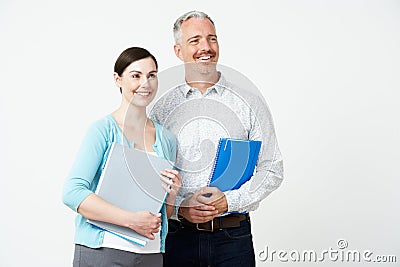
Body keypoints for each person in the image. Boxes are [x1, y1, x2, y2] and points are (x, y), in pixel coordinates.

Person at [149, 11, 284, 266]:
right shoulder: (162, 109)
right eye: (195, 40)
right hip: (177, 239)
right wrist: (180, 207)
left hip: (233, 239)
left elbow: (272, 168)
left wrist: (228, 201)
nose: (206, 47)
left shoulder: (249, 103)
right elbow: (152, 174)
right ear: (178, 51)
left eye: (212, 39)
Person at [62, 47, 182, 267]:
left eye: (152, 75)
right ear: (118, 79)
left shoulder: (167, 139)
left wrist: (172, 196)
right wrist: (132, 221)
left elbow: (163, 212)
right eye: (136, 76)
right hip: (104, 251)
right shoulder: (103, 130)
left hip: (152, 254)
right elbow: (72, 192)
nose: (145, 83)